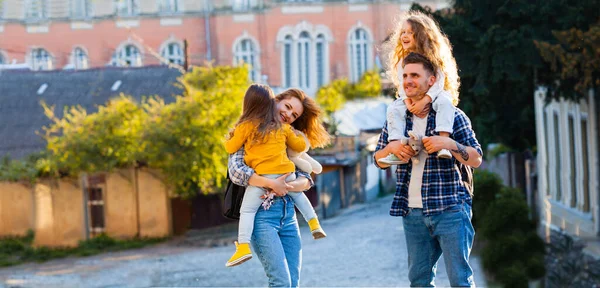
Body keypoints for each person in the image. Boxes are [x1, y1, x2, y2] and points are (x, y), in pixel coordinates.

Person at [374, 52, 483, 287]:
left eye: (415, 75)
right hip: (412, 213)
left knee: (460, 280)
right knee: (419, 281)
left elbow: (475, 159)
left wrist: (449, 144)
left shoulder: (453, 115)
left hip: (450, 209)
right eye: (404, 75)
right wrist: (392, 151)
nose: (408, 81)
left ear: (431, 80)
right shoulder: (396, 117)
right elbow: (378, 160)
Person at [228, 88, 330, 286]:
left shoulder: (286, 136)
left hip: (289, 215)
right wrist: (272, 184)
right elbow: (237, 172)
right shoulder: (249, 130)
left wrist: (287, 186)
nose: (288, 115)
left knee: (293, 282)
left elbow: (306, 179)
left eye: (294, 115)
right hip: (262, 217)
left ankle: (314, 223)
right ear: (276, 100)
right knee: (281, 282)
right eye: (288, 107)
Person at [378, 11, 461, 165]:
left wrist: (425, 100)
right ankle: (397, 148)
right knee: (393, 109)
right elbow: (402, 85)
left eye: (410, 32)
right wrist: (408, 102)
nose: (404, 35)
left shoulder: (433, 57)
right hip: (410, 98)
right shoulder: (401, 60)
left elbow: (439, 81)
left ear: (422, 35)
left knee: (445, 102)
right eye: (403, 32)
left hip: (435, 94)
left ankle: (444, 142)